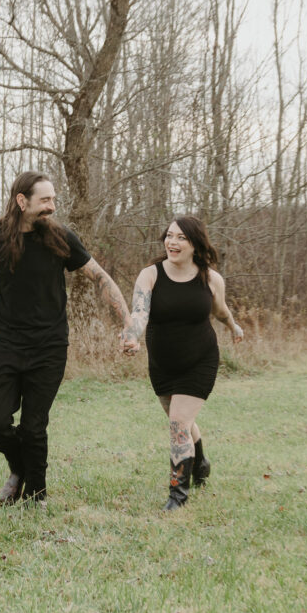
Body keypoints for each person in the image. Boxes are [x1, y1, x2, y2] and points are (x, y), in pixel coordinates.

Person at [0, 171, 134, 506]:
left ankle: (36, 495)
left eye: (54, 199)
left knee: (34, 426)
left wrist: (127, 322)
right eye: (45, 200)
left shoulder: (60, 237)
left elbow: (100, 277)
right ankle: (19, 469)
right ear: (21, 201)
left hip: (50, 347)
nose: (52, 207)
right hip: (8, 346)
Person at [122, 215, 244, 510]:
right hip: (163, 364)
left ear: (195, 244)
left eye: (181, 238)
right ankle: (200, 462)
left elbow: (220, 310)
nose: (172, 242)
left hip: (199, 360)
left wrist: (233, 326)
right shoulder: (150, 275)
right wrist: (131, 336)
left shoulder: (211, 279)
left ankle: (178, 496)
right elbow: (139, 312)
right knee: (181, 421)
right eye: (169, 236)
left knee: (178, 423)